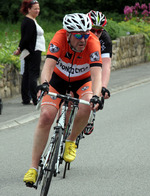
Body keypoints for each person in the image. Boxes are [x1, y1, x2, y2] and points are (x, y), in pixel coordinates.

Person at [23, 13, 103, 185]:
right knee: (46, 116)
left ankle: (71, 140)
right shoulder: (59, 38)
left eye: (86, 34)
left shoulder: (93, 43)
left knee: (87, 105)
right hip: (57, 80)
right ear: (68, 34)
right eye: (79, 35)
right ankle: (33, 168)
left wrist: (96, 96)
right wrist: (44, 84)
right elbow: (48, 66)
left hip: (82, 81)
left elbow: (97, 75)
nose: (83, 39)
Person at [83, 10, 112, 135]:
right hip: (79, 64)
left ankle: (90, 114)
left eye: (99, 31)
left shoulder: (105, 39)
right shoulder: (79, 34)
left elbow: (106, 65)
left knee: (95, 91)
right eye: (92, 30)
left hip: (95, 66)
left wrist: (103, 87)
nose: (95, 33)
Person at [14, 0, 45, 105]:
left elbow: (25, 38)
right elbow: (26, 38)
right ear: (29, 9)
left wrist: (20, 48)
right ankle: (34, 99)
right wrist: (20, 48)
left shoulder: (31, 20)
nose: (37, 10)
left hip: (32, 50)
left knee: (28, 74)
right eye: (35, 9)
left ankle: (26, 98)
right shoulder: (29, 21)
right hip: (33, 51)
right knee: (33, 75)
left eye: (38, 8)